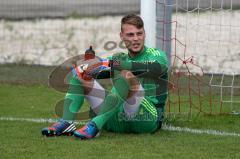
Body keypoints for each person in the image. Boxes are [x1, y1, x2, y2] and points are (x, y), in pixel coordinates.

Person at [41, 14, 168, 139]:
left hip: (145, 119)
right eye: (130, 34)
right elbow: (99, 67)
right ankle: (66, 123)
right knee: (80, 75)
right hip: (117, 119)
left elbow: (155, 68)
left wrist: (114, 64)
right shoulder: (118, 58)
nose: (136, 38)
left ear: (144, 34)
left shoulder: (156, 55)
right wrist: (87, 66)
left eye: (139, 33)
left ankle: (95, 125)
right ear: (122, 36)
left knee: (125, 75)